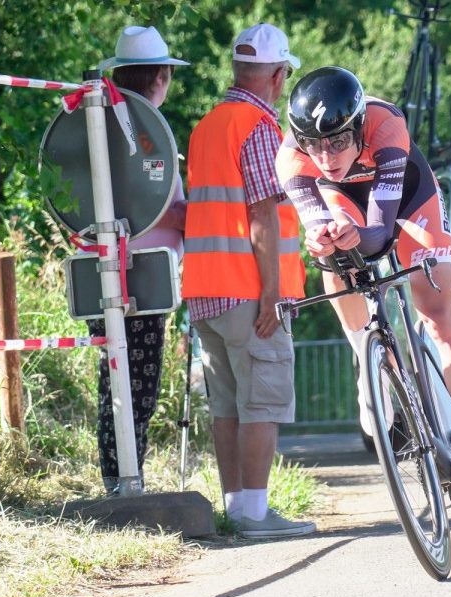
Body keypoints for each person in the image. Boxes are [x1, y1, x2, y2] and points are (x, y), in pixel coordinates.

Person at [276, 66, 451, 520]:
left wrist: (358, 236)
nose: (327, 156)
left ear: (359, 125)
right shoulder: (291, 159)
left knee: (440, 315)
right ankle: (367, 362)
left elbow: (381, 233)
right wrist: (324, 238)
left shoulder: (388, 125)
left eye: (339, 141)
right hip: (341, 199)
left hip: (407, 196)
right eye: (315, 144)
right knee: (331, 255)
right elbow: (321, 229)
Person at [181, 23, 314, 538]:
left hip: (205, 291)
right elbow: (261, 212)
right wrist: (272, 292)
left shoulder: (207, 125)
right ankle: (255, 516)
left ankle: (237, 510)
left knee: (227, 405)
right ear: (278, 76)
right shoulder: (259, 127)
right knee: (262, 399)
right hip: (248, 291)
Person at [87, 25, 189, 494]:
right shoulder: (153, 136)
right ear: (161, 77)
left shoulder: (91, 124)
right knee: (138, 388)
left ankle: (117, 480)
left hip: (97, 268)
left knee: (113, 384)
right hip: (147, 275)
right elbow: (163, 206)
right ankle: (129, 483)